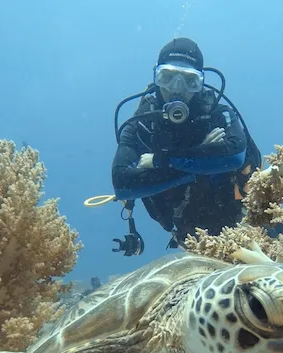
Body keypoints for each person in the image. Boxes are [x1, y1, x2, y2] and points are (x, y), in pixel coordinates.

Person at [109, 37, 261, 256]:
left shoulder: (218, 115)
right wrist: (201, 160)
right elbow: (122, 184)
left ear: (200, 83)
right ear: (156, 78)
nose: (176, 90)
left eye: (189, 81)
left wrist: (161, 161)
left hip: (246, 226)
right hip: (189, 238)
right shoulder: (141, 125)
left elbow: (235, 155)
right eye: (168, 78)